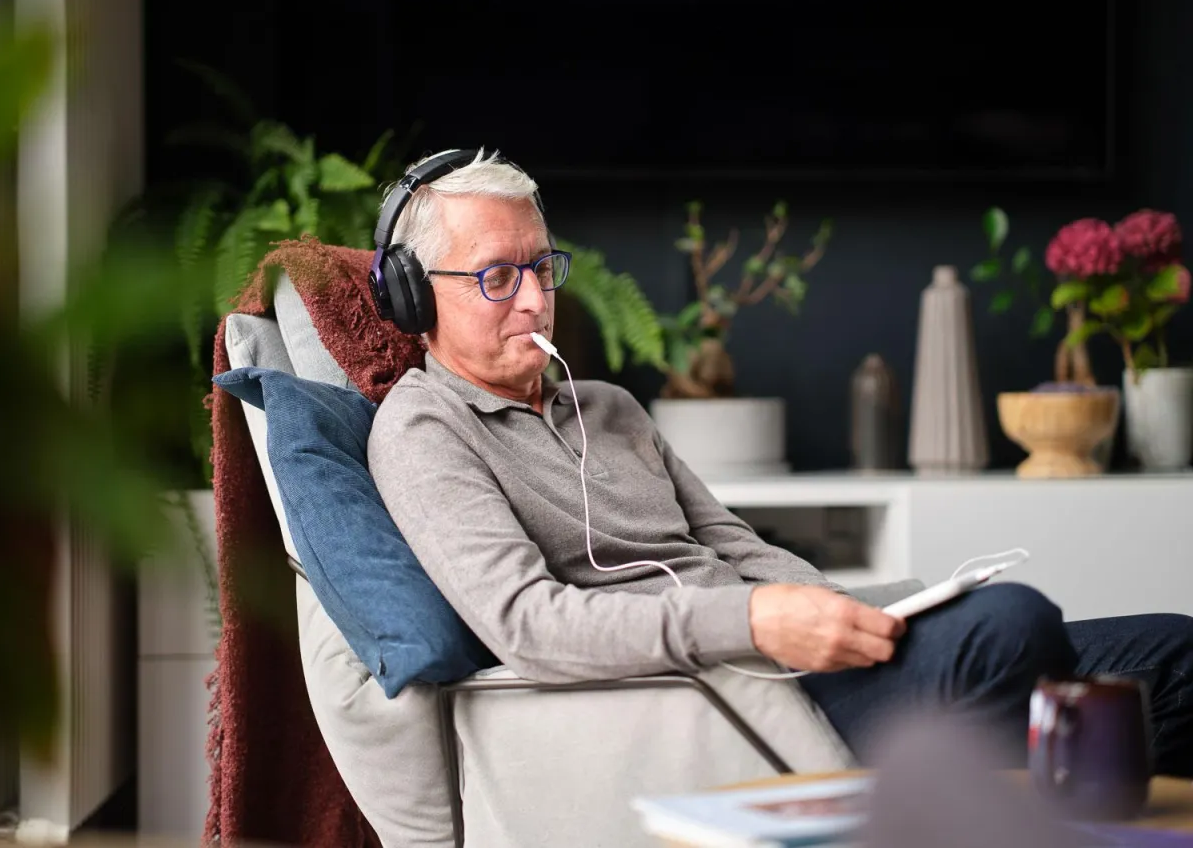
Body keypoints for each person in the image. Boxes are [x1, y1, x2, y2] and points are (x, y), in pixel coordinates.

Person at [367, 148, 1193, 776]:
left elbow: (734, 544)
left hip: (799, 661)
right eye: (496, 276)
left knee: (1174, 651)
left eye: (543, 268)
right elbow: (530, 626)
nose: (535, 299)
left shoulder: (610, 408)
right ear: (415, 295)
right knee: (1015, 625)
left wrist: (856, 614)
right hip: (732, 699)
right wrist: (756, 621)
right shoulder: (424, 429)